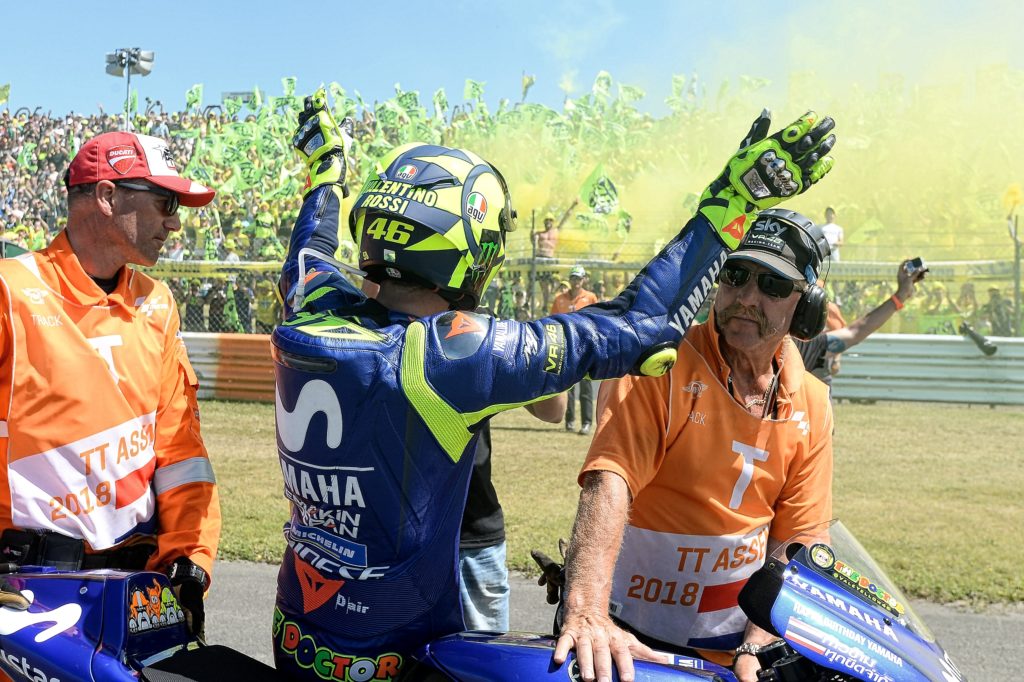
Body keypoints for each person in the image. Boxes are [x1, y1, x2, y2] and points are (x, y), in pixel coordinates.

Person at [270, 90, 836, 681]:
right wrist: (732, 200)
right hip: (399, 657)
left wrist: (325, 176)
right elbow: (641, 324)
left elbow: (309, 244)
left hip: (299, 636)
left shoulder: (309, 304)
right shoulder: (448, 355)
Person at [555, 211, 837, 682]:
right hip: (624, 637)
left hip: (734, 648)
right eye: (736, 275)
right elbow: (610, 479)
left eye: (772, 285)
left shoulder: (813, 400)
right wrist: (587, 613)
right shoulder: (659, 363)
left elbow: (799, 537)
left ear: (806, 306)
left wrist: (756, 645)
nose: (747, 297)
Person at [0, 131, 220, 637]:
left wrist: (190, 560)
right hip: (23, 593)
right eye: (165, 202)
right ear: (106, 196)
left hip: (138, 592)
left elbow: (181, 453)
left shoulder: (157, 303)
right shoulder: (11, 292)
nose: (175, 222)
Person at [795, 260, 925, 387]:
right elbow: (856, 331)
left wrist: (900, 296)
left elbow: (853, 331)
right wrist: (900, 296)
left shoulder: (797, 344)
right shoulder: (797, 345)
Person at [551, 264, 600, 434]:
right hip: (566, 347)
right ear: (570, 279)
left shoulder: (591, 297)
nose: (576, 281)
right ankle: (569, 420)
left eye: (579, 278)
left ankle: (586, 422)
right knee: (567, 386)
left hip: (585, 347)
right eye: (573, 278)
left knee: (586, 387)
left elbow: (597, 321)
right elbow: (553, 321)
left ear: (583, 280)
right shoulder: (559, 299)